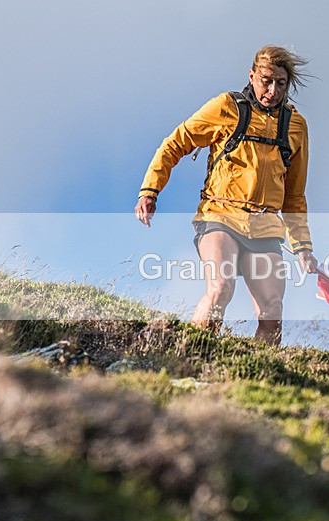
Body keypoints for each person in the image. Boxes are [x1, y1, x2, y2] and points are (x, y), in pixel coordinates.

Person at [135, 45, 317, 345]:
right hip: (220, 215)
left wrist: (303, 246)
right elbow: (175, 143)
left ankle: (259, 370)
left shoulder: (295, 126)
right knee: (221, 288)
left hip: (265, 225)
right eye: (266, 81)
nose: (272, 91)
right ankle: (194, 354)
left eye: (280, 83)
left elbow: (295, 195)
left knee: (273, 310)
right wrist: (150, 190)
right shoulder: (227, 107)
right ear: (252, 76)